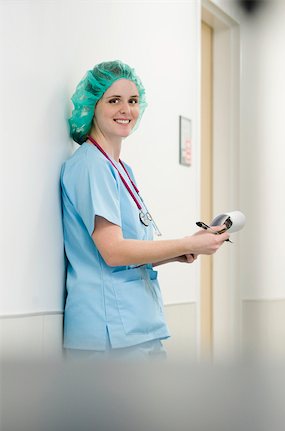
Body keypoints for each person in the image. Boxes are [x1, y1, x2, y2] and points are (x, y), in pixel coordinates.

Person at [60, 60, 229, 361]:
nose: (126, 109)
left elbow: (126, 252)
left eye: (133, 101)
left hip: (136, 326)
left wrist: (175, 252)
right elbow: (112, 252)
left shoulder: (122, 169)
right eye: (114, 101)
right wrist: (189, 243)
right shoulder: (91, 166)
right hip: (109, 332)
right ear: (92, 106)